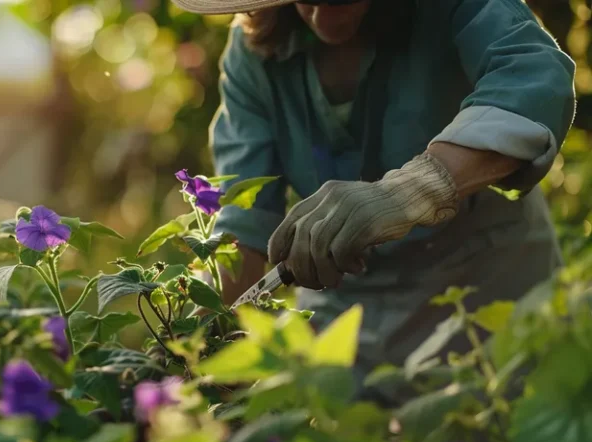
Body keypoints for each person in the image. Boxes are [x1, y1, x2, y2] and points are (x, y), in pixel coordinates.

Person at [176, 0, 576, 400]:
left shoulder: (455, 8)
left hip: (487, 301)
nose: (320, 16)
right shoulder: (255, 55)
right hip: (347, 327)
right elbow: (242, 229)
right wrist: (195, 350)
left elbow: (536, 78)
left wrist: (413, 190)